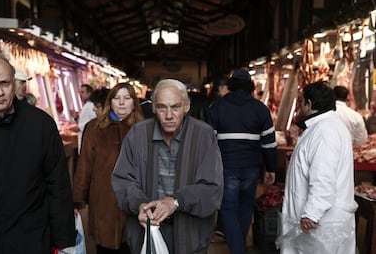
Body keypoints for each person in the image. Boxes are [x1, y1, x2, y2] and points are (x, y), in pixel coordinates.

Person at [0, 56, 76, 253]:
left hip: (30, 240)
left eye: (5, 83)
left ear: (13, 84)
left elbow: (58, 185)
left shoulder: (41, 125)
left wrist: (63, 241)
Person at [112, 78, 224, 254]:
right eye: (162, 107)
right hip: (148, 230)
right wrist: (140, 204)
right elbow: (123, 179)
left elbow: (212, 187)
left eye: (176, 107)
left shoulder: (203, 135)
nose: (169, 115)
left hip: (190, 234)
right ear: (154, 108)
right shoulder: (138, 134)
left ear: (186, 107)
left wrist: (176, 201)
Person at [277, 81, 357, 254]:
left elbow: (323, 176)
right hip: (321, 225)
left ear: (309, 104)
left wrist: (312, 212)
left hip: (322, 225)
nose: (300, 108)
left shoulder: (324, 131)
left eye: (301, 103)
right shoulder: (324, 127)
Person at [206, 68, 277, 254]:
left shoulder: (217, 107)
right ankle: (239, 248)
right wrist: (271, 168)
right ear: (251, 86)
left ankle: (237, 249)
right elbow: (269, 144)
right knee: (246, 207)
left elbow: (209, 143)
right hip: (251, 167)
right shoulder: (261, 109)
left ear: (230, 86)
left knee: (228, 209)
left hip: (226, 165)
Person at [73, 83, 144, 254]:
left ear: (134, 102)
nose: (121, 103)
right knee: (105, 248)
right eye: (116, 98)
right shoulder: (94, 128)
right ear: (110, 102)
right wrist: (77, 199)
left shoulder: (144, 129)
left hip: (135, 203)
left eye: (126, 98)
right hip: (103, 201)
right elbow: (85, 165)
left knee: (132, 246)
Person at [75, 84, 97, 152]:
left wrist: (79, 127)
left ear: (89, 93)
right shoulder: (86, 105)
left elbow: (94, 121)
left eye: (82, 92)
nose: (80, 94)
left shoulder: (91, 106)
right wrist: (76, 118)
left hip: (88, 141)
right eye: (80, 92)